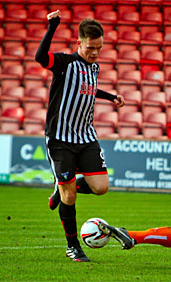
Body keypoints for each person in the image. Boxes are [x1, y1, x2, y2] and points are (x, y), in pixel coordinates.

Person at [35, 10, 125, 262]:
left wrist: (111, 97)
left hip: (86, 136)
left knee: (101, 187)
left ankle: (61, 186)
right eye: (90, 47)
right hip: (60, 139)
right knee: (70, 195)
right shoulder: (65, 63)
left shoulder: (94, 67)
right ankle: (72, 246)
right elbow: (40, 57)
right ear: (79, 43)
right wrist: (52, 26)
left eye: (99, 47)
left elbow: (89, 90)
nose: (95, 52)